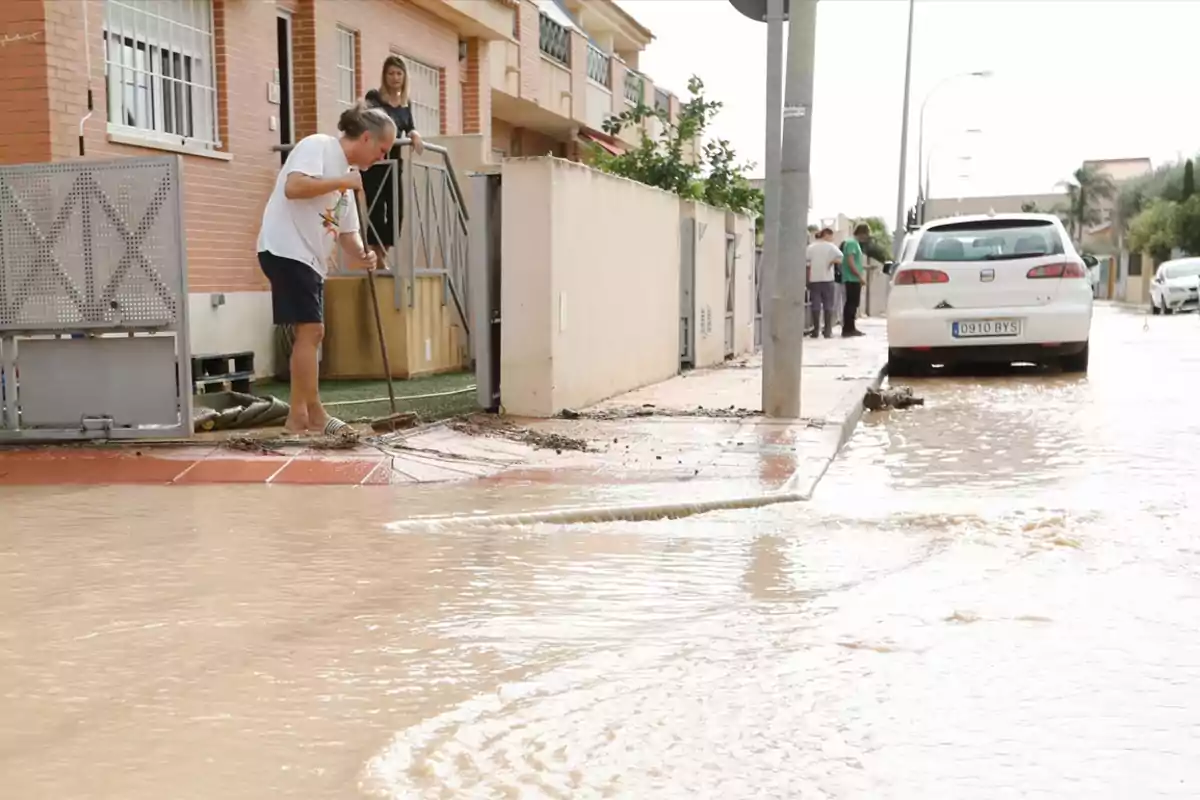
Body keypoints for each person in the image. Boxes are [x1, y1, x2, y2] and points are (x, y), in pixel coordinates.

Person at [256, 102, 395, 437]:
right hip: (285, 248)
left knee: (311, 333)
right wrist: (341, 181)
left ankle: (299, 417)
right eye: (382, 149)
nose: (382, 157)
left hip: (311, 259)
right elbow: (294, 187)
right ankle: (313, 413)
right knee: (313, 331)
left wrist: (364, 256)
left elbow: (347, 234)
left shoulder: (348, 179)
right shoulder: (318, 146)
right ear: (365, 138)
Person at [361, 55, 424, 265]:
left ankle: (383, 253)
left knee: (397, 213)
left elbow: (410, 126)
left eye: (399, 73)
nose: (395, 78)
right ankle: (376, 257)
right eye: (391, 73)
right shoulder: (374, 97)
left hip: (395, 164)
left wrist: (414, 134)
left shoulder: (406, 103)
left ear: (404, 76)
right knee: (376, 210)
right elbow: (367, 121)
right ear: (384, 76)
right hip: (375, 161)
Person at [806, 227, 842, 338]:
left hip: (814, 279)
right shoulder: (831, 247)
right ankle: (827, 330)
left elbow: (807, 264)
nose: (832, 238)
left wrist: (807, 279)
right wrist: (831, 262)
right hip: (828, 279)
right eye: (831, 236)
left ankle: (816, 330)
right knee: (828, 305)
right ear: (826, 234)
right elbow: (841, 258)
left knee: (815, 305)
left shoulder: (811, 247)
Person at [840, 223, 870, 337]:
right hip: (852, 279)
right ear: (862, 233)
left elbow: (855, 263)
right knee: (851, 304)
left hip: (853, 278)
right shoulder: (852, 243)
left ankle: (850, 327)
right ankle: (848, 328)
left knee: (852, 304)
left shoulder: (853, 243)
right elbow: (850, 261)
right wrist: (859, 276)